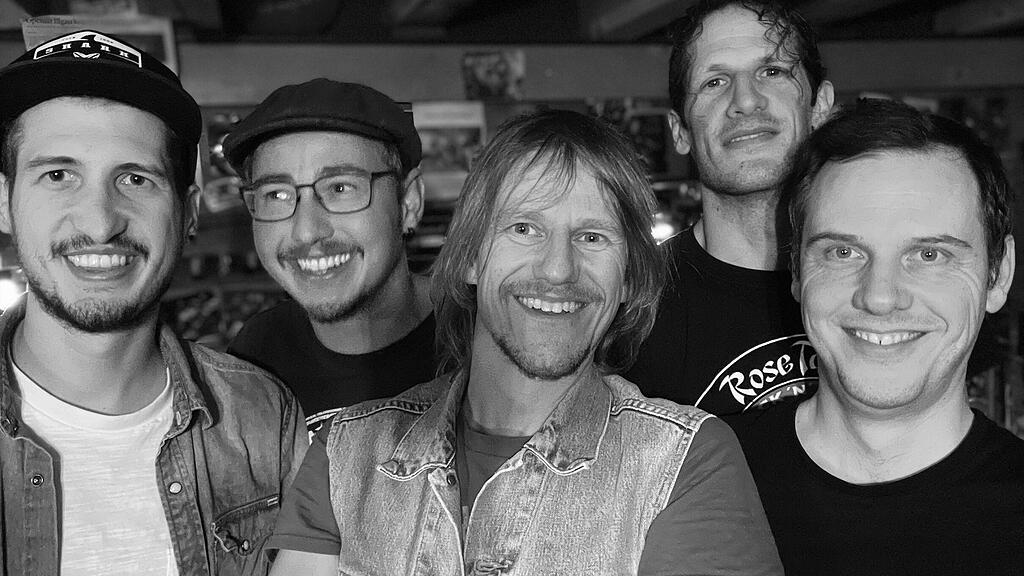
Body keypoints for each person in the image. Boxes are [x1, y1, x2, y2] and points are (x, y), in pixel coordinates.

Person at [265, 109, 783, 574]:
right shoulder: (344, 456)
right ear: (470, 256)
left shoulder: (685, 462)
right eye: (524, 228)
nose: (558, 269)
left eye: (592, 237)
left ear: (627, 277)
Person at [0, 31, 306, 576]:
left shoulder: (264, 417)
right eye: (58, 176)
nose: (100, 222)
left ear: (188, 213)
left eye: (135, 179)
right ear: (4, 203)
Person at [725, 98, 1024, 575]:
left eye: (929, 256)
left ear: (998, 275)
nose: (880, 297)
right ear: (796, 270)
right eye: (843, 252)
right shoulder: (692, 483)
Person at [625, 0, 834, 414]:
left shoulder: (877, 283)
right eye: (715, 82)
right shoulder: (631, 312)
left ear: (820, 107)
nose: (746, 100)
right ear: (680, 131)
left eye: (772, 72)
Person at [222, 79, 434, 436]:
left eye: (340, 188)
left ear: (408, 203)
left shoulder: (489, 337)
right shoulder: (256, 356)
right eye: (276, 195)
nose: (307, 231)